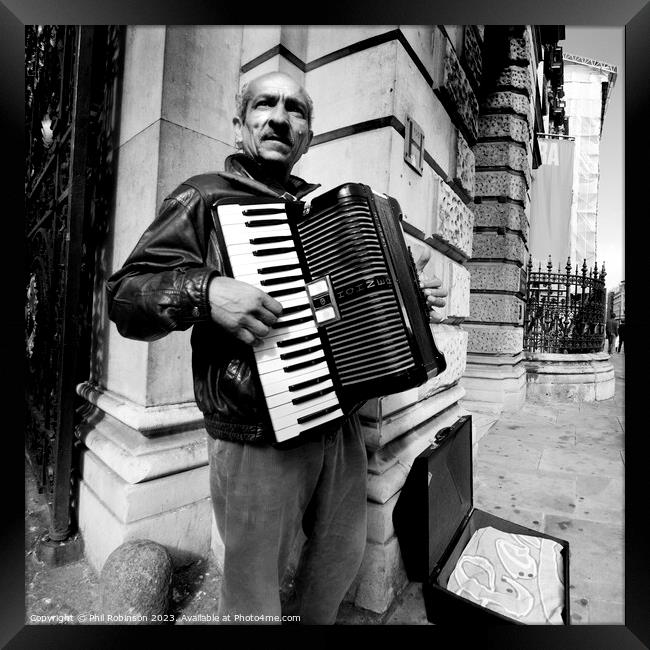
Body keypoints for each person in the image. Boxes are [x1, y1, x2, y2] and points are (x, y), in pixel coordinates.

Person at [105, 71, 447, 625]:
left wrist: (412, 290)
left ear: (307, 135)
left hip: (338, 423)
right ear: (240, 123)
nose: (279, 117)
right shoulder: (203, 196)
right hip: (254, 435)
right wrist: (207, 290)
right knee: (253, 586)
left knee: (339, 559)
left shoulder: (321, 207)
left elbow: (355, 301)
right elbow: (124, 297)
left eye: (295, 109)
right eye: (264, 104)